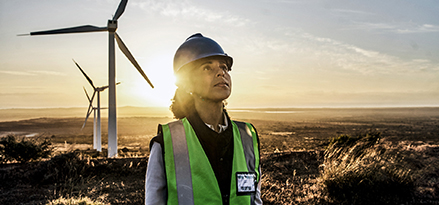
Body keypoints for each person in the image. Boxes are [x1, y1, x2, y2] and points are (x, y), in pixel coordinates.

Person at [145, 33, 262, 205]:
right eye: (207, 68)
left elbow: (255, 199)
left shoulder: (247, 137)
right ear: (187, 82)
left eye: (224, 67)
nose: (221, 73)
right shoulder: (166, 142)